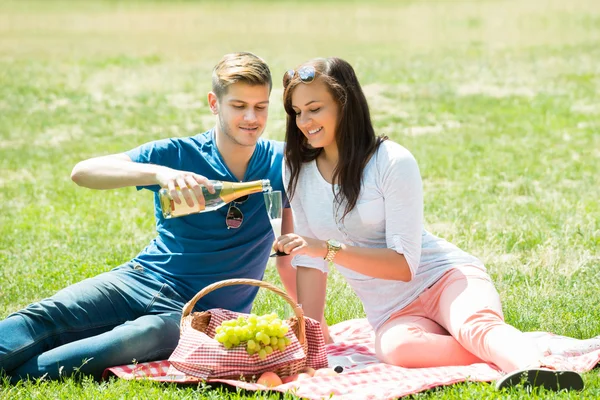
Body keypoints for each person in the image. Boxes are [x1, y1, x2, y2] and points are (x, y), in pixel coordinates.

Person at [273, 57, 598, 391]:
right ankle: (509, 349)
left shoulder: (391, 161)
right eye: (297, 112)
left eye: (314, 108)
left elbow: (403, 266)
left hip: (443, 278)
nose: (304, 121)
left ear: (345, 103)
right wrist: (313, 349)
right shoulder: (297, 170)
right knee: (397, 349)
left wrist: (328, 250)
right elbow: (310, 263)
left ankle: (533, 367)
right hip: (393, 312)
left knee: (474, 325)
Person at [0, 52, 295, 382]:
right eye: (238, 106)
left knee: (135, 337)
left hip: (201, 316)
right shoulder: (177, 154)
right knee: (47, 317)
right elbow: (82, 172)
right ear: (214, 103)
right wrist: (160, 174)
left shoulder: (281, 161)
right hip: (140, 279)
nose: (251, 117)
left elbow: (339, 164)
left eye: (261, 106)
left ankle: (13, 380)